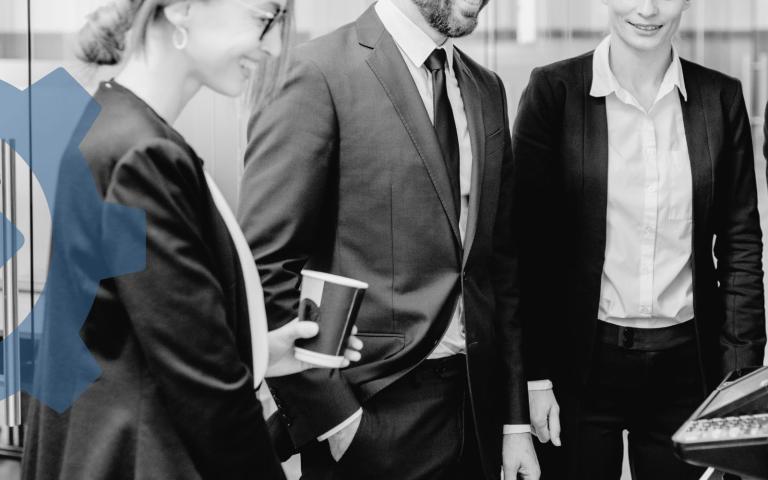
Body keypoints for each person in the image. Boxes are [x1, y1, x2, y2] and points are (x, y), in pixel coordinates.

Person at [21, 0, 362, 479]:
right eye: (263, 19)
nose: (272, 47)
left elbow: (137, 328)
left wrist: (257, 352)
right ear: (181, 9)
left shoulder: (110, 123)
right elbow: (205, 390)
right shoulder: (143, 155)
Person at [238, 0, 541, 479]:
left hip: (476, 414)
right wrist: (337, 418)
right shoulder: (314, 72)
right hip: (372, 411)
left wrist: (513, 420)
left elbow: (498, 267)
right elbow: (264, 267)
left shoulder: (487, 88)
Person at [512, 0, 766, 479]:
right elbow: (527, 249)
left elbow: (740, 251)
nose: (647, 9)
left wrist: (741, 387)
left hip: (689, 369)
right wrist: (534, 376)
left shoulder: (721, 97)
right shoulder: (554, 92)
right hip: (579, 365)